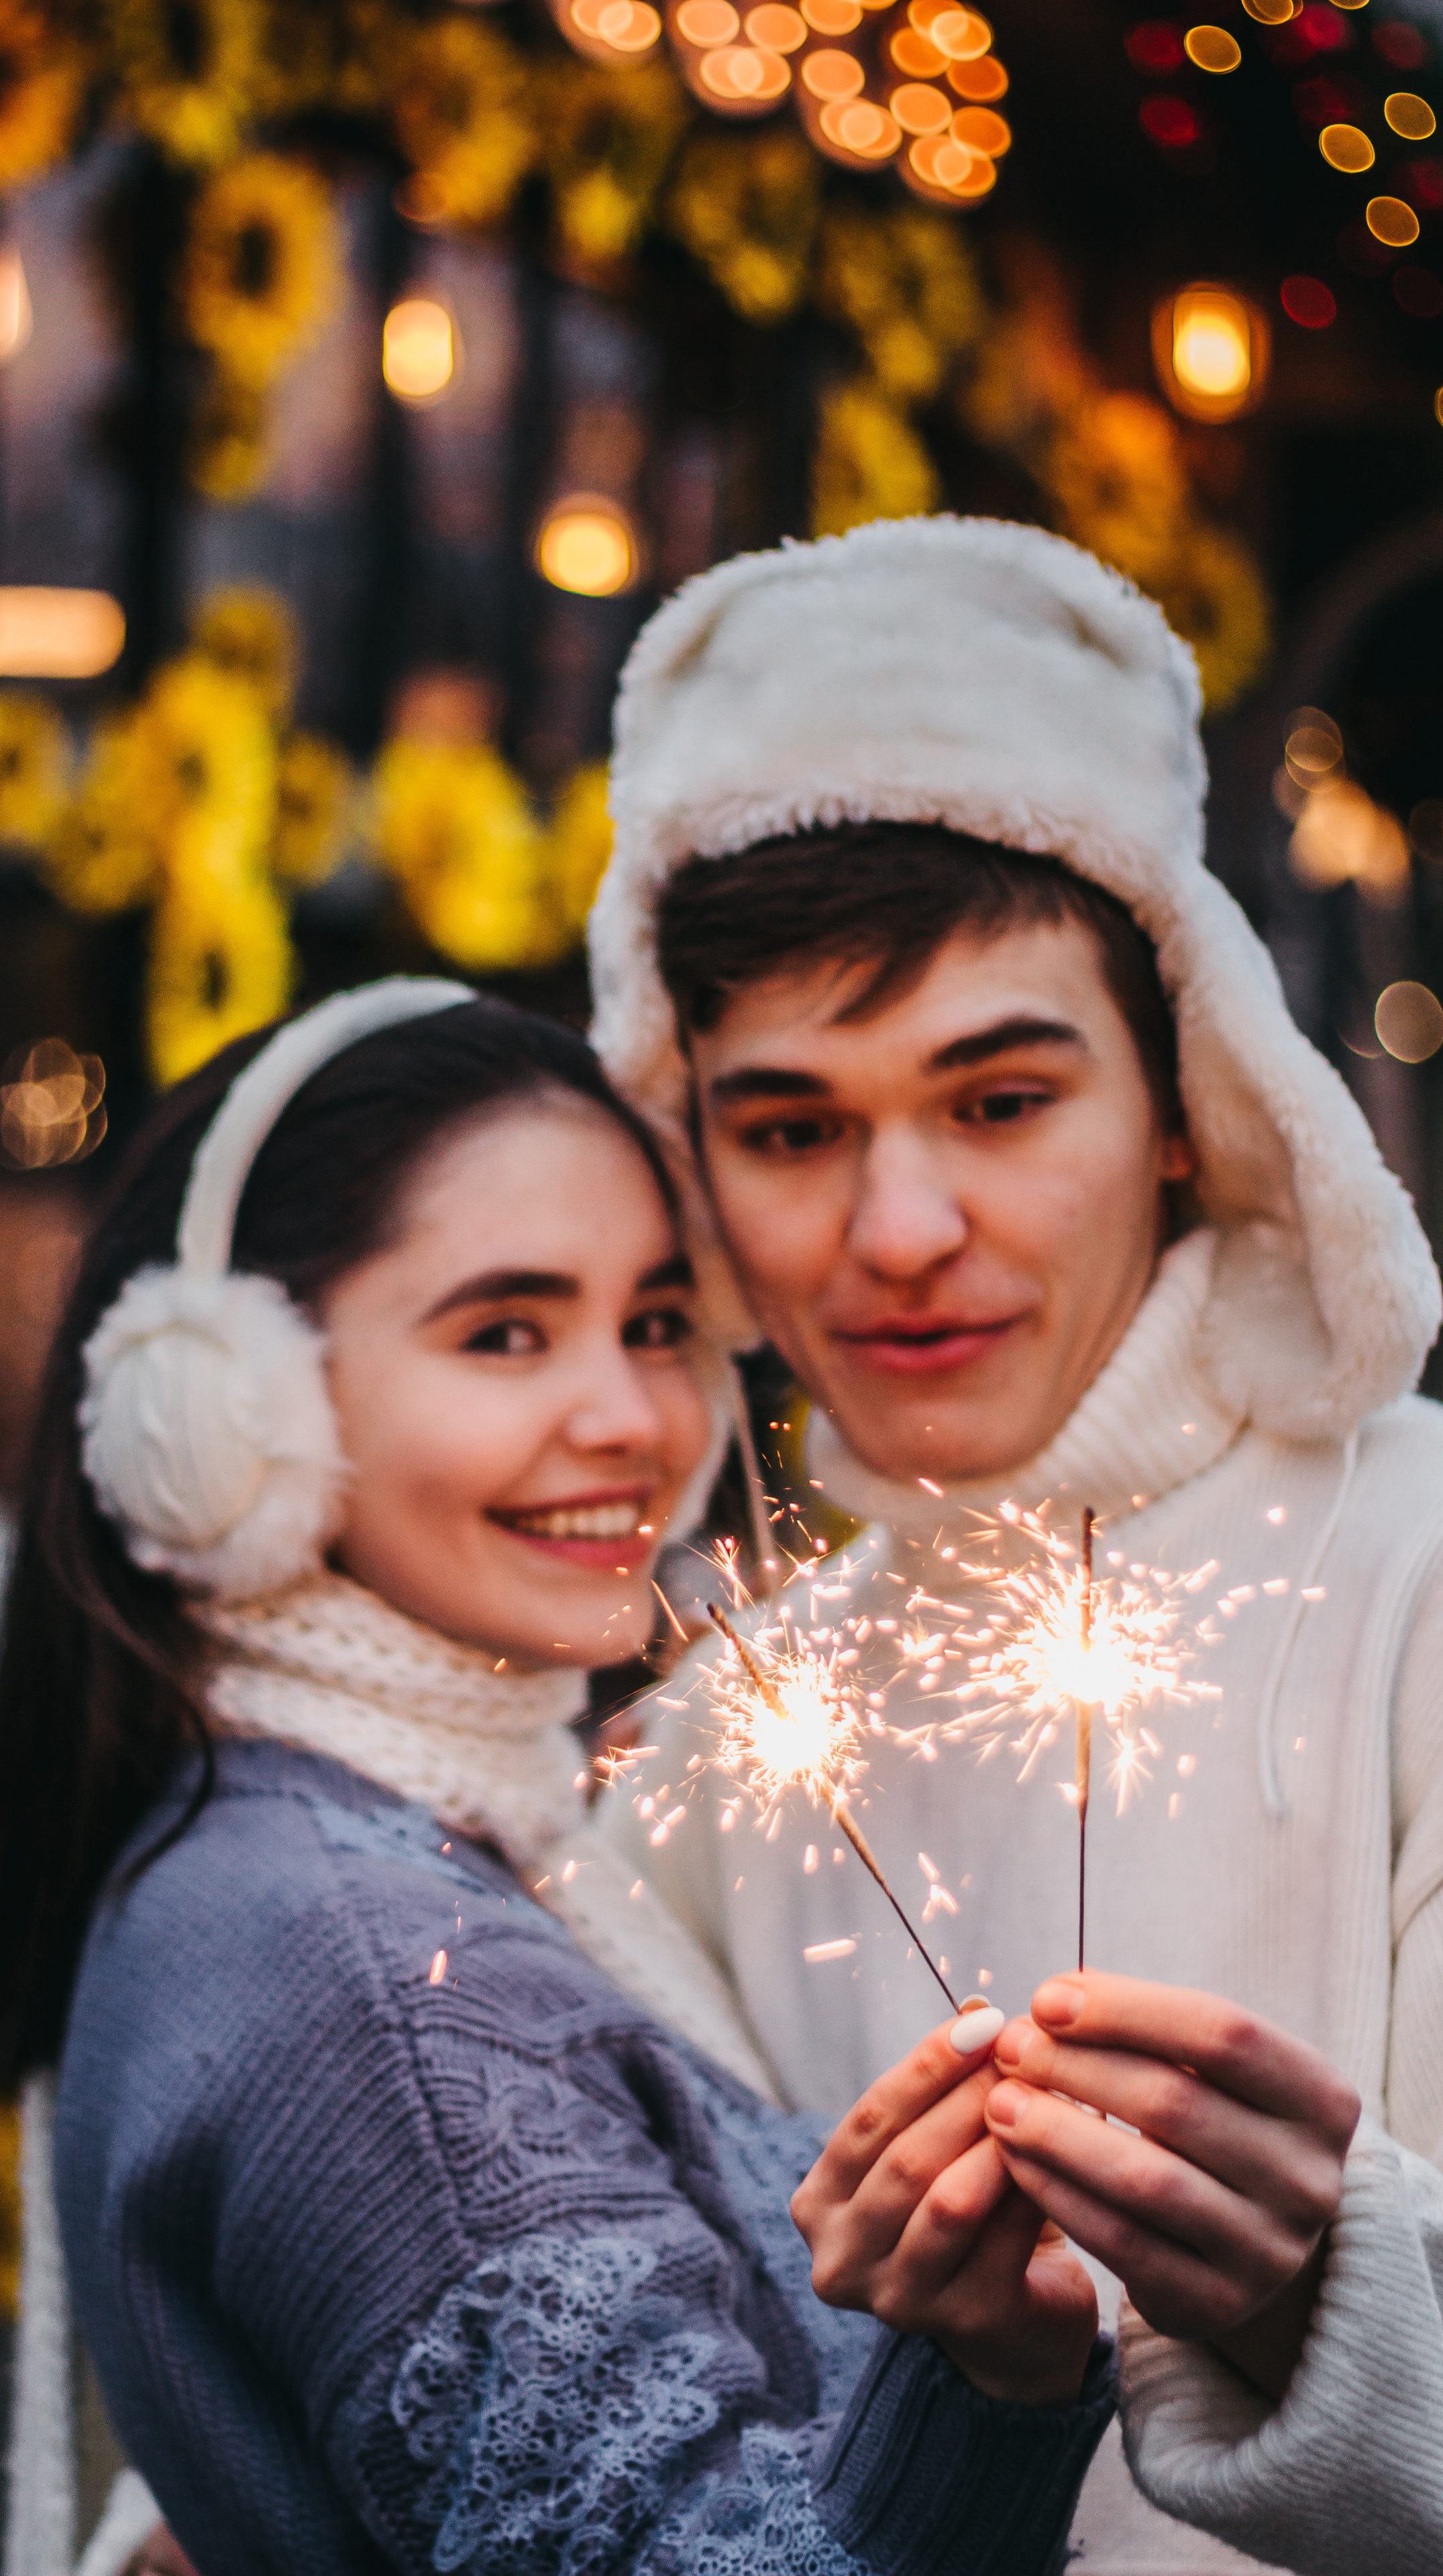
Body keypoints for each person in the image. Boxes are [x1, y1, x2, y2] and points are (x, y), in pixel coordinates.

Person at [0, 978, 1120, 2576]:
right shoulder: (377, 1977)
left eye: (651, 1325)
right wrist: (993, 2371)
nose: (626, 1417)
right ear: (227, 1421)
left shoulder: (313, 1847)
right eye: (503, 1330)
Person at [586, 517, 1443, 2575]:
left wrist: (1322, 2315)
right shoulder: (714, 1749)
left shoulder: (1421, 1583)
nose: (896, 1234)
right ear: (691, 1164)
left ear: (1180, 1095)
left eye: (997, 1099)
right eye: (792, 1128)